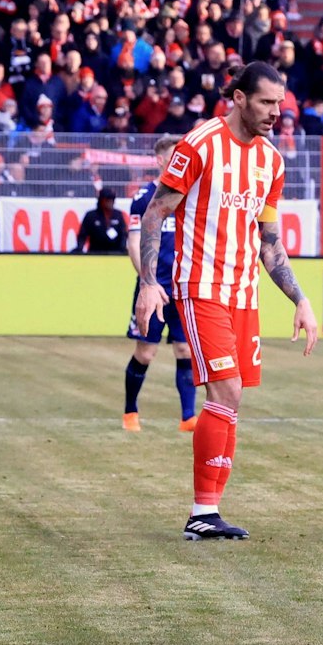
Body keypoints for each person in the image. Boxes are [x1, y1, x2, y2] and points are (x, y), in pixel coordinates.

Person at [133, 62, 320, 542]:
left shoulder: (272, 162)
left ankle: (208, 512)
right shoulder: (199, 145)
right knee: (227, 391)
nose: (276, 112)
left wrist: (299, 298)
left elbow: (270, 243)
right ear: (238, 98)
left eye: (280, 103)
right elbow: (157, 212)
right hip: (199, 289)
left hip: (243, 294)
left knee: (232, 401)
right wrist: (150, 282)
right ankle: (202, 510)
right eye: (265, 102)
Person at [122, 136, 199, 434]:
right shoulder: (144, 197)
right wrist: (148, 281)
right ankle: (130, 412)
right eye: (173, 157)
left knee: (184, 349)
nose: (179, 162)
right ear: (159, 160)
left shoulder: (190, 195)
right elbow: (133, 242)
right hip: (155, 288)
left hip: (183, 288)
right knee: (146, 352)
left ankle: (188, 417)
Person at [74, 189, 129, 254]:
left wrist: (122, 249)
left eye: (112, 199)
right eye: (108, 199)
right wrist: (79, 248)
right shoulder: (91, 216)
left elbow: (123, 234)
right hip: (95, 252)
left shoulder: (118, 215)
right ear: (101, 200)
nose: (110, 201)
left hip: (115, 253)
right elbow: (82, 235)